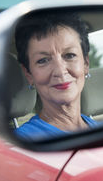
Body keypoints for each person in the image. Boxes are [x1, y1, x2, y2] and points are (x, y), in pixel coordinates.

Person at [14, 10, 98, 141]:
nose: (60, 71)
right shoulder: (22, 141)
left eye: (70, 55)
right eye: (43, 60)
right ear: (28, 74)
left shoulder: (101, 129)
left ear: (86, 64)